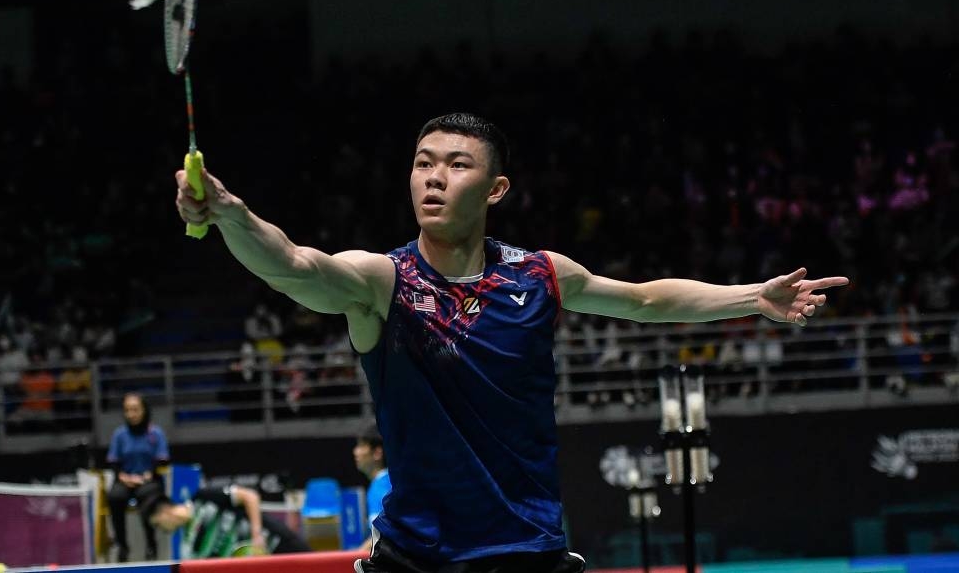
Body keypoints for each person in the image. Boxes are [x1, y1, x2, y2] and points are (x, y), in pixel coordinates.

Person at [175, 112, 850, 573]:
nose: (433, 177)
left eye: (456, 165)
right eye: (422, 163)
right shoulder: (384, 282)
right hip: (417, 556)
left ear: (495, 187)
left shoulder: (540, 275)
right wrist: (232, 214)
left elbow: (646, 298)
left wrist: (751, 299)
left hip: (526, 550)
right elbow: (295, 266)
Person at [140, 484, 311, 558]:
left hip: (277, 542)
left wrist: (256, 534)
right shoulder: (188, 548)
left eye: (157, 524)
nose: (161, 529)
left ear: (163, 511)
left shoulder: (203, 498)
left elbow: (250, 497)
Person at [106, 392, 170, 562]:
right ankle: (123, 546)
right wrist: (124, 477)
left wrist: (148, 475)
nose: (131, 414)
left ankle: (151, 545)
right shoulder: (120, 434)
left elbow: (162, 460)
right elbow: (113, 462)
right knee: (114, 496)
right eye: (127, 410)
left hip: (149, 480)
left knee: (146, 497)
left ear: (144, 410)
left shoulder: (155, 433)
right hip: (125, 479)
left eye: (135, 409)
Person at [353, 422, 392, 553]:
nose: (356, 452)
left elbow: (382, 537)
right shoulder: (385, 483)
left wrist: (349, 560)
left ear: (377, 453)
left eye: (361, 446)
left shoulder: (381, 489)